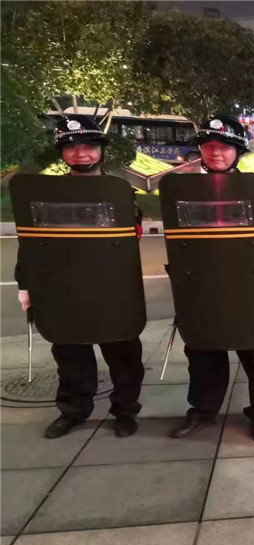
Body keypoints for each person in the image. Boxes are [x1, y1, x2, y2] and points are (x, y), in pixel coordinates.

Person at [16, 115, 145, 439]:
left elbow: (129, 244)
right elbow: (31, 242)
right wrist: (25, 284)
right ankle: (73, 411)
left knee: (124, 355)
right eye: (72, 147)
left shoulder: (121, 194)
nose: (81, 153)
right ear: (62, 153)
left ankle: (125, 411)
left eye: (89, 146)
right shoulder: (48, 195)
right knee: (70, 355)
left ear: (101, 150)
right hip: (63, 289)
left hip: (111, 288)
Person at [169, 115, 254, 442]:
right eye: (209, 146)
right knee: (203, 352)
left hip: (247, 288)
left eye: (226, 147)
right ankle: (203, 410)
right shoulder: (185, 192)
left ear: (238, 152)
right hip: (203, 287)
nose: (217, 153)